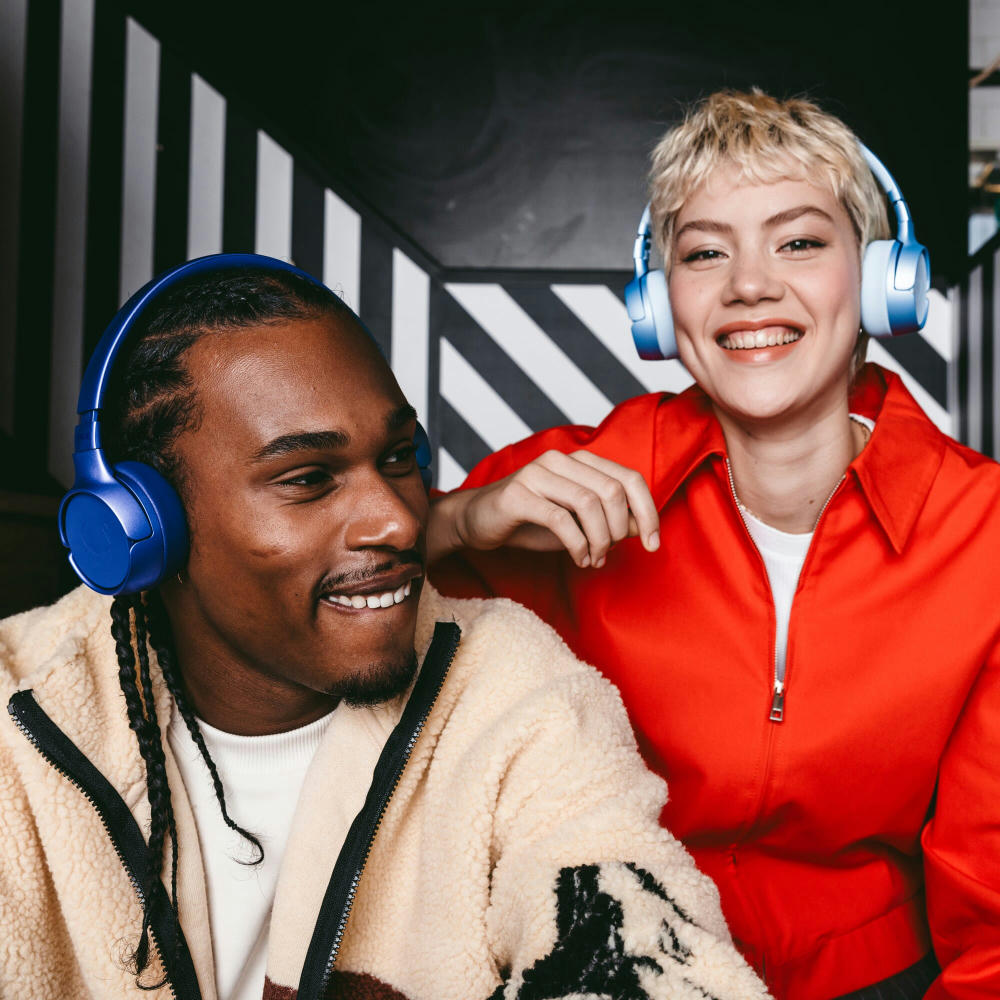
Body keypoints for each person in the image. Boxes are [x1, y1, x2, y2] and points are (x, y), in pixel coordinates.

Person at [0, 257, 770, 1000]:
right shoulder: (17, 720)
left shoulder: (513, 692)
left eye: (400, 456)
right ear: (142, 528)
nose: (399, 522)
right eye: (308, 479)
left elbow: (636, 939)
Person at [429, 91, 1000, 999]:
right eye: (704, 252)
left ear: (881, 279)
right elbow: (339, 605)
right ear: (661, 304)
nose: (750, 285)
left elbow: (993, 902)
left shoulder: (984, 532)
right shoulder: (566, 482)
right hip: (611, 965)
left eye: (799, 242)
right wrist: (457, 520)